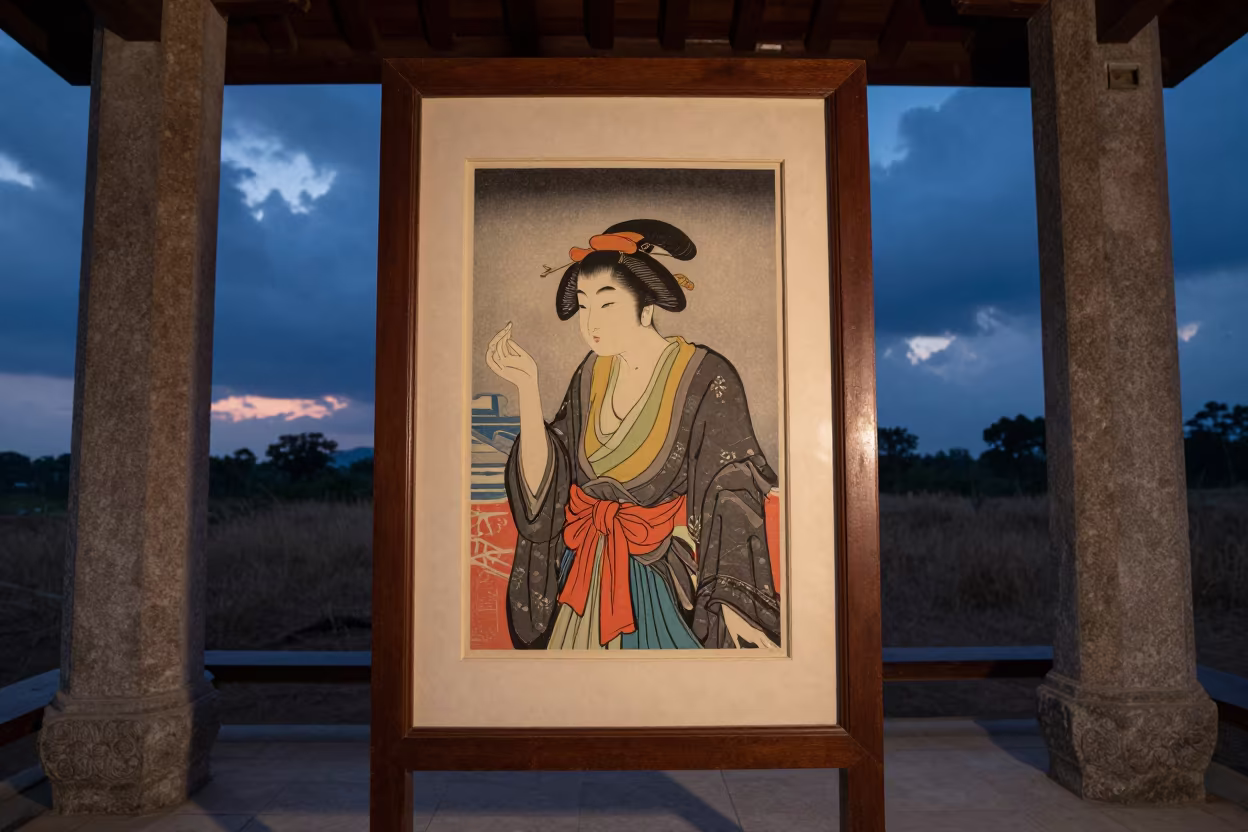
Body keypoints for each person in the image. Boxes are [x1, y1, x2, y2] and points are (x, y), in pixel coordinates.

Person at [485, 218, 781, 650]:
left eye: (606, 304)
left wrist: (733, 603)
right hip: (581, 571)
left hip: (657, 577)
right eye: (583, 305)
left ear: (646, 309)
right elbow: (549, 484)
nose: (590, 322)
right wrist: (527, 389)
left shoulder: (706, 377)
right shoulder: (590, 373)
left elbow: (732, 489)